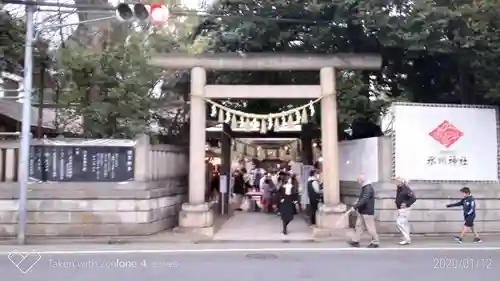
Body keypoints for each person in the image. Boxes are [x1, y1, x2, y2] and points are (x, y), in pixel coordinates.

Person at [349, 174, 379, 248]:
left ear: (361, 180)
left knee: (370, 227)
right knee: (358, 226)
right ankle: (356, 240)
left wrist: (355, 207)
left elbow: (364, 199)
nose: (357, 181)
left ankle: (375, 242)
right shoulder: (365, 187)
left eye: (358, 180)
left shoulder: (368, 188)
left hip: (367, 211)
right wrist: (357, 202)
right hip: (362, 210)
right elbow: (362, 198)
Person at [394, 177, 416, 245]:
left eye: (397, 182)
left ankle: (407, 238)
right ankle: (407, 239)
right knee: (404, 224)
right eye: (396, 182)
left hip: (405, 209)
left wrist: (406, 203)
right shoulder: (399, 188)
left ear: (401, 182)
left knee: (399, 222)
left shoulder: (406, 189)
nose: (396, 183)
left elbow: (413, 198)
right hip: (401, 209)